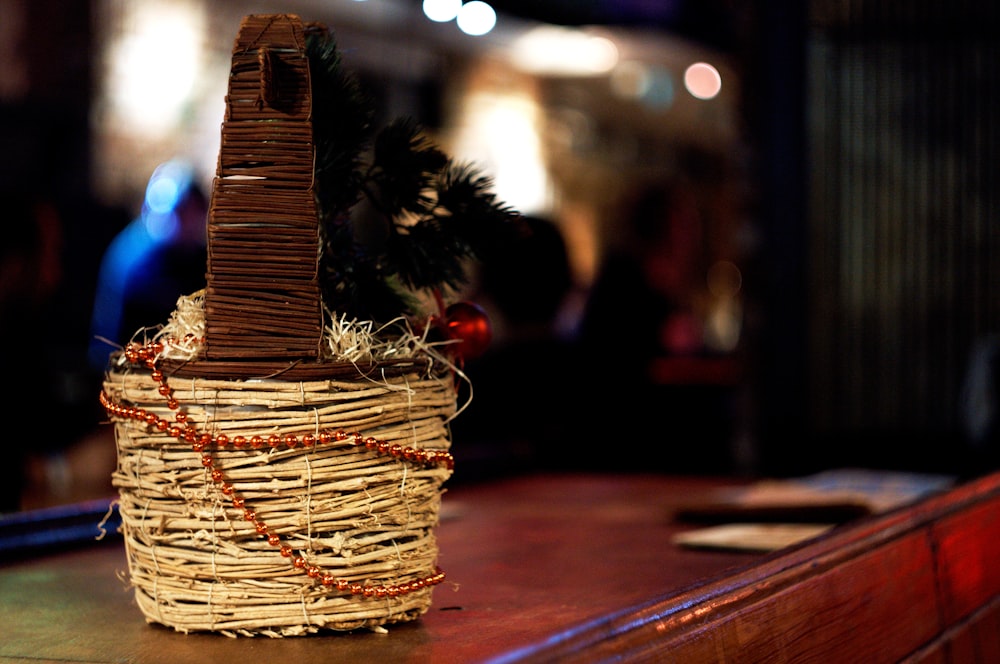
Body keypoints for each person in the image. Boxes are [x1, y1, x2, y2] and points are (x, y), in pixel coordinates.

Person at [88, 161, 208, 373]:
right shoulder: (135, 261)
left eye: (194, 214)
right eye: (180, 213)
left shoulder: (199, 256)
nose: (186, 224)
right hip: (132, 372)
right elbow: (113, 335)